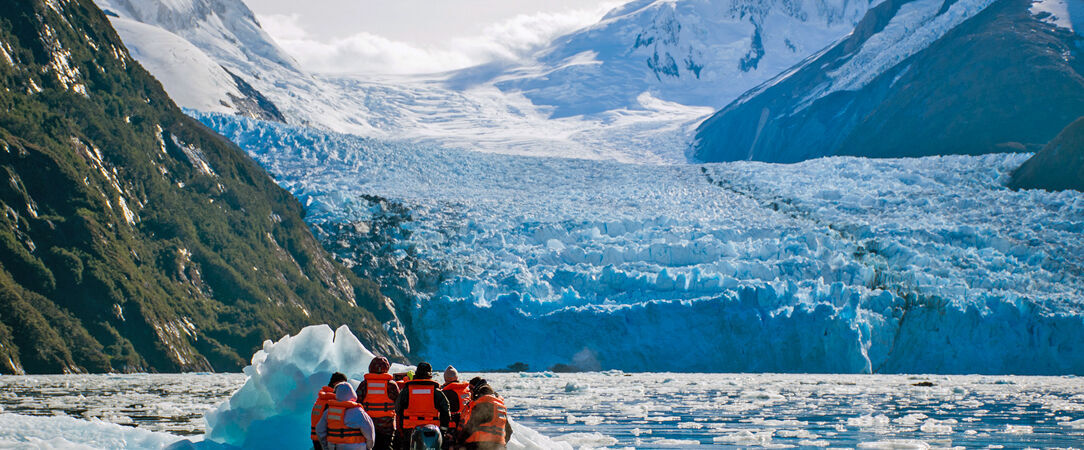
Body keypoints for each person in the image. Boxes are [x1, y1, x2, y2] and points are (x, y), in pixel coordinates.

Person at [395, 362, 450, 445]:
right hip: (431, 430)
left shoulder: (406, 391)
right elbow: (445, 410)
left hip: (409, 429)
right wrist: (443, 429)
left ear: (416, 373)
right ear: (430, 375)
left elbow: (398, 409)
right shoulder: (436, 392)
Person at [317, 381, 376, 450]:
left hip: (334, 447)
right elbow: (369, 431)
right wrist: (369, 447)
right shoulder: (358, 412)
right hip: (356, 447)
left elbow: (319, 430)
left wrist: (325, 447)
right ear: (353, 394)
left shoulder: (328, 412)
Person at [360, 356, 399, 450]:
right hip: (387, 426)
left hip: (368, 425)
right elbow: (399, 403)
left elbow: (357, 403)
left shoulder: (364, 384)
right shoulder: (391, 385)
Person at [460, 384, 512, 450]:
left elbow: (471, 426)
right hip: (499, 445)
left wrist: (459, 442)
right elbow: (509, 430)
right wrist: (502, 444)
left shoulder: (481, 405)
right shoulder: (500, 408)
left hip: (478, 445)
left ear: (479, 395)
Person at [312, 372, 348, 450]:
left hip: (316, 438)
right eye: (343, 383)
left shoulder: (321, 398)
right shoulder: (331, 400)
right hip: (324, 439)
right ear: (336, 383)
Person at [441, 366, 471, 433]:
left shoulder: (446, 393)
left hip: (452, 427)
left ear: (445, 379)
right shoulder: (467, 391)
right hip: (467, 425)